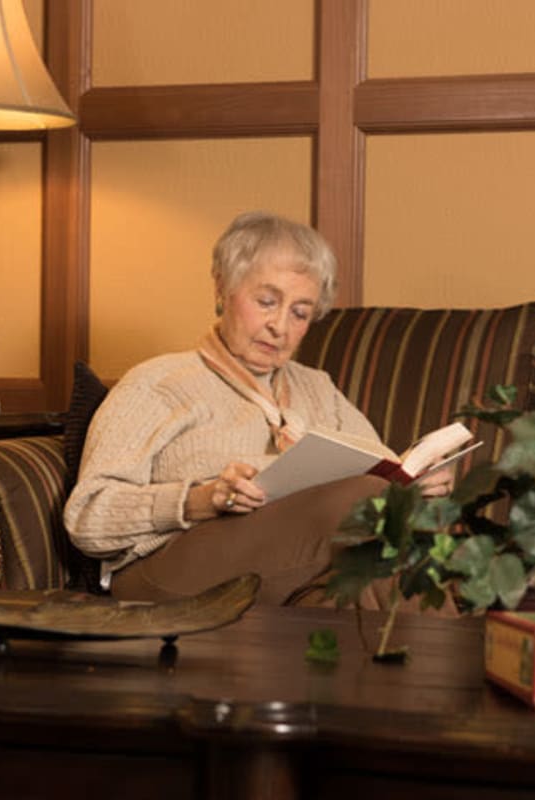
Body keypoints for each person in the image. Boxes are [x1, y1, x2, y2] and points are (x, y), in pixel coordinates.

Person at [64, 211, 453, 609]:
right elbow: (88, 517)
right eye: (266, 302)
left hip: (283, 575)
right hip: (168, 570)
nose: (280, 326)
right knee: (365, 500)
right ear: (222, 289)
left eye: (300, 313)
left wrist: (413, 487)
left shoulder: (318, 389)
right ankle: (466, 661)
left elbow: (381, 474)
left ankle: (434, 665)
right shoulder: (159, 383)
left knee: (350, 591)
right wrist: (199, 499)